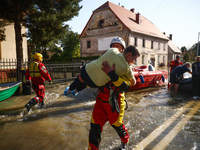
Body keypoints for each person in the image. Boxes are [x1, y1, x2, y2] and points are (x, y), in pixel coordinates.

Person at [87, 37, 137, 150]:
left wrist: (113, 75)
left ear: (123, 50)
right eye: (113, 46)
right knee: (94, 128)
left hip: (116, 101)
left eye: (118, 46)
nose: (115, 48)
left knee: (117, 125)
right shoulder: (103, 61)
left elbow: (128, 85)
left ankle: (124, 141)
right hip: (101, 100)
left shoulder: (126, 67)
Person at [64, 45, 140, 96]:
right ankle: (75, 91)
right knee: (87, 83)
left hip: (87, 69)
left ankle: (69, 90)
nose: (134, 61)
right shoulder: (126, 69)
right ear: (129, 54)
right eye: (135, 59)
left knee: (81, 78)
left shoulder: (113, 50)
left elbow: (104, 53)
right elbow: (133, 83)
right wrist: (130, 70)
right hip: (96, 83)